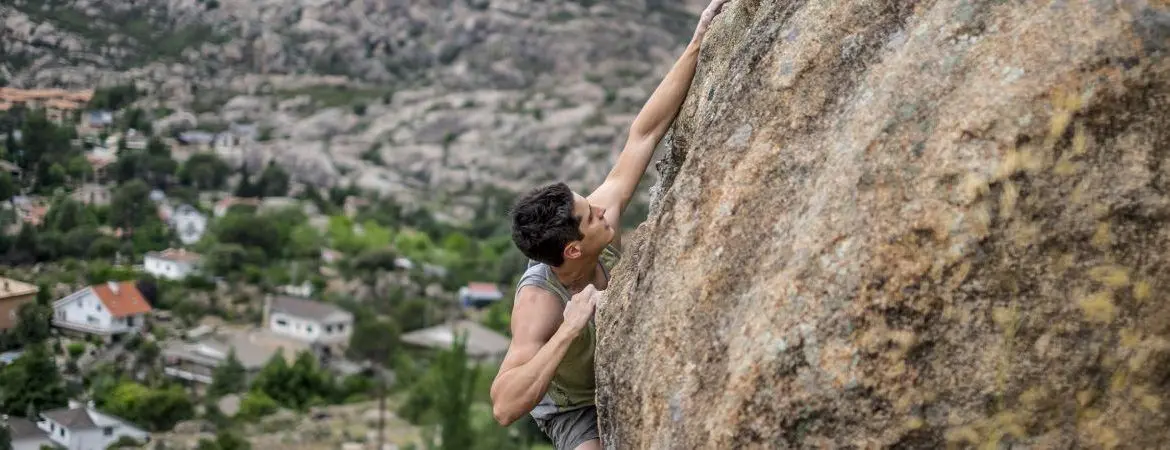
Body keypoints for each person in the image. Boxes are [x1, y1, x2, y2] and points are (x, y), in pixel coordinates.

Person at [489, 1, 732, 449]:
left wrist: (697, 42)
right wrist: (569, 327)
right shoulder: (539, 304)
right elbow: (504, 406)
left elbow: (643, 134)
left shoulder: (597, 219)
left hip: (625, 362)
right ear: (573, 250)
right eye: (590, 217)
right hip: (572, 407)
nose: (603, 211)